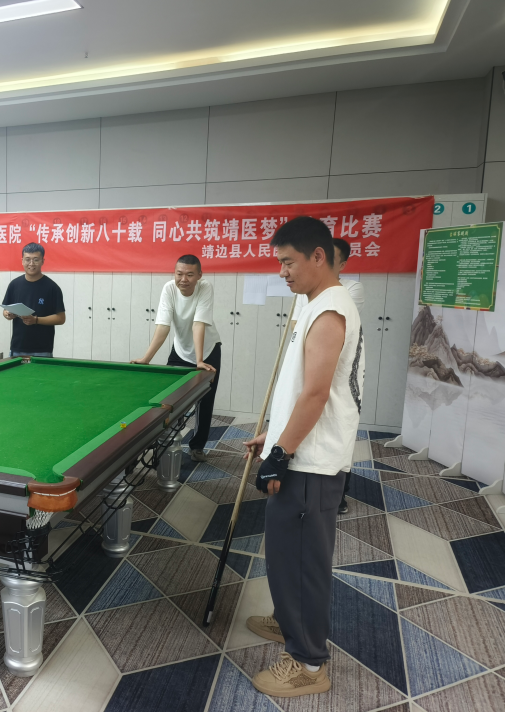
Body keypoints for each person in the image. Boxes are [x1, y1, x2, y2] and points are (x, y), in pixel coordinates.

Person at [242, 216, 364, 698]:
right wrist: (274, 435)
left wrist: (281, 453)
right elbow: (300, 389)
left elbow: (316, 395)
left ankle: (309, 662)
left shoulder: (331, 310)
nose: (282, 271)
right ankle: (288, 619)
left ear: (318, 256)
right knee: (286, 553)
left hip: (310, 462)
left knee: (302, 561)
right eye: (279, 262)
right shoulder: (314, 303)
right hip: (301, 450)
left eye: (288, 261)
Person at [290, 237, 365, 515]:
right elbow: (297, 328)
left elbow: (325, 327)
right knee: (306, 426)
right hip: (311, 364)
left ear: (341, 264)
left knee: (335, 431)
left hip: (335, 372)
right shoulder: (306, 291)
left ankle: (338, 494)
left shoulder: (346, 292)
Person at [131, 255, 221, 462]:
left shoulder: (205, 288)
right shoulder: (169, 289)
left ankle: (197, 447)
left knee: (205, 400)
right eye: (179, 274)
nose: (183, 279)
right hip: (180, 350)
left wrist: (199, 360)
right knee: (170, 399)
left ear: (199, 275)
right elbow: (163, 326)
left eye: (190, 275)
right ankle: (164, 441)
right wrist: (146, 358)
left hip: (208, 350)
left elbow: (198, 324)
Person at [1, 243, 66, 357]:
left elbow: (61, 318)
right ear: (22, 261)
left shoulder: (52, 288)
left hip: (42, 350)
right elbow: (5, 309)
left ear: (42, 261)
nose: (31, 264)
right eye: (27, 259)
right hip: (17, 347)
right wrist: (7, 314)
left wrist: (36, 320)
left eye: (36, 260)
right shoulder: (14, 285)